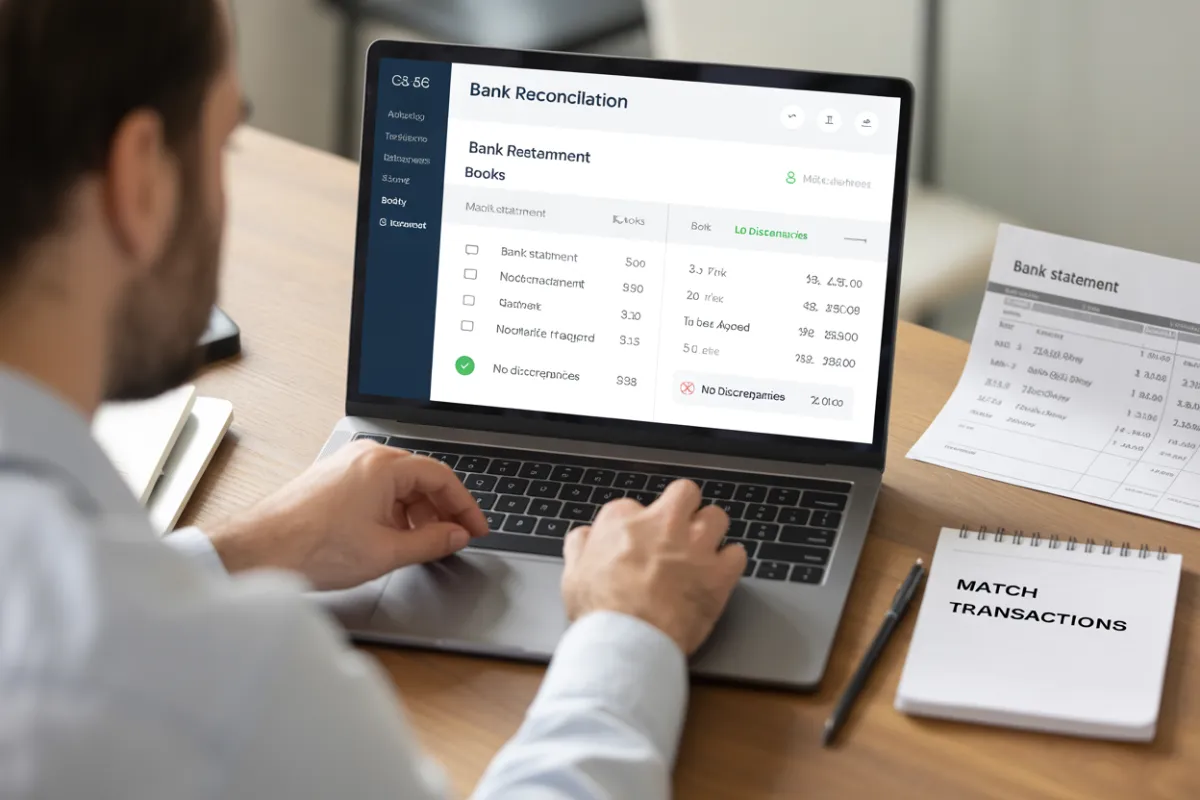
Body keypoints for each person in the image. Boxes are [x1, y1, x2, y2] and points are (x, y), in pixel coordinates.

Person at [0, 1, 748, 798]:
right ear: (140, 178)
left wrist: (247, 548)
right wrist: (627, 635)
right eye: (224, 144)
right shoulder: (227, 686)